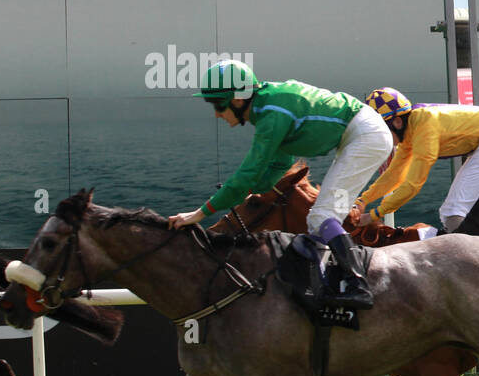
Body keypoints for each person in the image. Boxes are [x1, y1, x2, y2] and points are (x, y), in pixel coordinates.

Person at [168, 60, 392, 309]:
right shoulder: (267, 106)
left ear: (239, 99)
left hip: (365, 138)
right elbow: (280, 163)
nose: (216, 114)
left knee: (320, 217)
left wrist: (199, 214)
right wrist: (255, 190)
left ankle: (357, 286)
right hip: (363, 136)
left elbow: (247, 173)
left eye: (218, 104)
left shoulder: (271, 114)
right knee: (325, 220)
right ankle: (329, 287)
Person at [351, 88, 479, 234]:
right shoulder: (410, 131)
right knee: (451, 212)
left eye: (382, 130)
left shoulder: (424, 128)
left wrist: (374, 215)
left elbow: (413, 184)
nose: (380, 136)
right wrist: (362, 201)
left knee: (453, 212)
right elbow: (394, 176)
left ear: (397, 121)